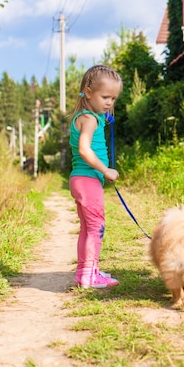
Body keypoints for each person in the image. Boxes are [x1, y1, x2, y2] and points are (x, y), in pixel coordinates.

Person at [69, 64, 123, 289]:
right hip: (88, 179)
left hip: (80, 179)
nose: (109, 102)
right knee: (96, 227)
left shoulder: (88, 116)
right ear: (89, 93)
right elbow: (84, 149)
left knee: (88, 228)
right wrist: (106, 170)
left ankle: (85, 273)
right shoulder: (89, 119)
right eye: (105, 97)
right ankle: (90, 276)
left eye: (113, 98)